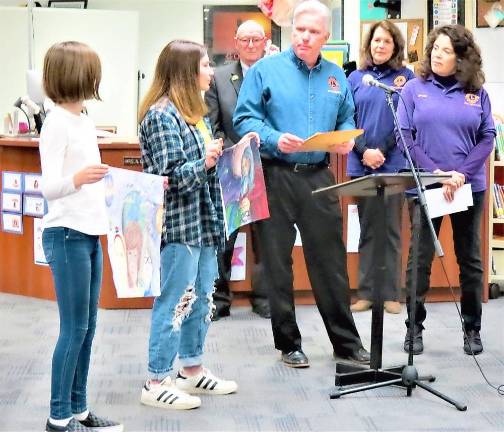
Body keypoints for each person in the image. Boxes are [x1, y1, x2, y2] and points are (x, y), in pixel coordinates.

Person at [233, 0, 370, 368]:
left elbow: (347, 117)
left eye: (313, 32)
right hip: (274, 175)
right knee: (277, 265)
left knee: (331, 264)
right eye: (299, 30)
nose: (305, 37)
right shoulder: (264, 70)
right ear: (291, 30)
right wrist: (275, 138)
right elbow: (243, 119)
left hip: (319, 177)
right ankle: (288, 343)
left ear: (326, 36)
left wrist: (345, 139)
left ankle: (346, 344)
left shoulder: (336, 75)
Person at [138, 39, 239, 410]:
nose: (212, 71)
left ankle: (191, 370)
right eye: (206, 65)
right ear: (186, 71)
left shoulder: (192, 113)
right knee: (176, 302)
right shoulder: (161, 116)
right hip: (179, 225)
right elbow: (168, 178)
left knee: (202, 298)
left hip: (204, 222)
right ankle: (156, 379)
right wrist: (208, 161)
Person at [397, 25, 495, 356]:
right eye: (435, 48)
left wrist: (461, 174)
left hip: (469, 187)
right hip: (427, 186)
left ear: (462, 58)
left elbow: (487, 136)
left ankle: (472, 329)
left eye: (446, 50)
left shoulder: (476, 92)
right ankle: (414, 329)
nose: (438, 54)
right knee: (419, 260)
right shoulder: (413, 89)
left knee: (470, 259)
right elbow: (404, 138)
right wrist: (436, 173)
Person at [39, 41, 123, 432]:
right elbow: (48, 187)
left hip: (89, 232)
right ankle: (59, 418)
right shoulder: (56, 123)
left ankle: (80, 409)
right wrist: (79, 178)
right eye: (92, 72)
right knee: (73, 328)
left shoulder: (83, 120)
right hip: (67, 233)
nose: (97, 79)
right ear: (79, 76)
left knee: (88, 326)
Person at [205, 20, 272, 320]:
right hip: (231, 167)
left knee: (266, 238)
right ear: (235, 42)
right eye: (244, 40)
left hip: (269, 164)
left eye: (255, 39)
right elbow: (212, 125)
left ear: (265, 41)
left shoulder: (277, 75)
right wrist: (234, 152)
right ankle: (219, 300)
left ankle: (265, 299)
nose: (249, 45)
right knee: (225, 238)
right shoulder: (218, 78)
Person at [347, 20, 415, 314]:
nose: (380, 46)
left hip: (393, 165)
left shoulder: (405, 78)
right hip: (361, 164)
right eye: (376, 41)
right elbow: (346, 119)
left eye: (387, 41)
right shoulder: (356, 78)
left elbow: (405, 121)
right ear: (369, 44)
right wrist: (364, 151)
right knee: (366, 231)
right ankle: (366, 292)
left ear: (395, 46)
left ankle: (390, 294)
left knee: (390, 231)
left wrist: (381, 151)